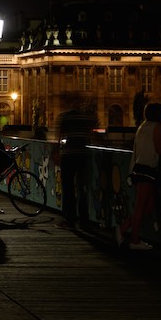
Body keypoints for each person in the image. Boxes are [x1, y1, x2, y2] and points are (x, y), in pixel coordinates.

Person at [116, 102, 161, 250]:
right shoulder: (156, 127)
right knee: (141, 206)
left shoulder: (143, 126)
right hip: (147, 169)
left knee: (149, 205)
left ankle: (124, 227)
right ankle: (133, 239)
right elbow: (159, 149)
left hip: (138, 168)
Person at [56, 97, 95, 229]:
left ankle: (70, 220)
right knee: (82, 188)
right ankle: (84, 220)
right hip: (82, 155)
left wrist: (57, 152)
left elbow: (59, 137)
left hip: (68, 155)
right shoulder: (85, 118)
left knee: (68, 189)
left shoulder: (64, 117)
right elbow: (90, 136)